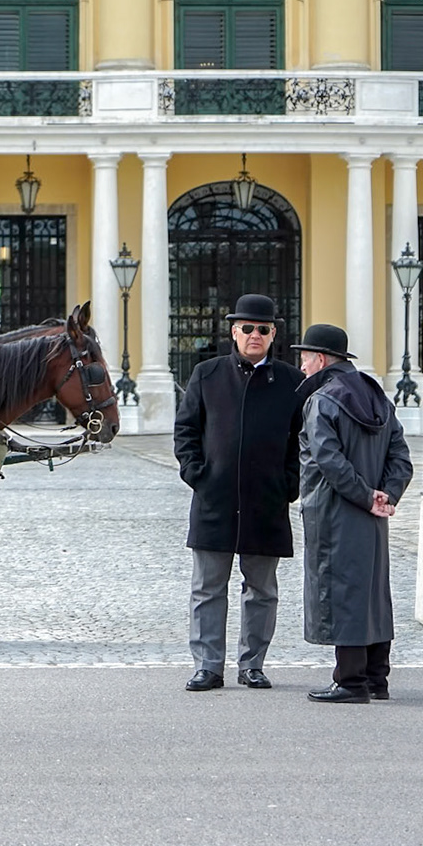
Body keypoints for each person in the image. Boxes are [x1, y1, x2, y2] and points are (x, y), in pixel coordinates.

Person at [172, 293, 304, 691]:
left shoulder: (291, 382)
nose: (254, 335)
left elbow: (302, 439)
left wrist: (288, 484)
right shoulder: (207, 375)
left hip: (267, 501)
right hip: (216, 499)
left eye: (262, 329)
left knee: (261, 589)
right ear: (234, 332)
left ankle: (253, 664)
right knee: (207, 588)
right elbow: (186, 431)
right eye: (247, 328)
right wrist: (198, 474)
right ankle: (208, 666)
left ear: (273, 334)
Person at [291, 323, 414, 704]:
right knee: (373, 590)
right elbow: (401, 458)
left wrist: (365, 496)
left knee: (341, 589)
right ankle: (378, 678)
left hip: (335, 511)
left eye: (306, 359)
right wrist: (386, 495)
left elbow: (328, 460)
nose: (303, 367)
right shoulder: (378, 398)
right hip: (373, 515)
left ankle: (350, 680)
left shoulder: (323, 400)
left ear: (322, 359)